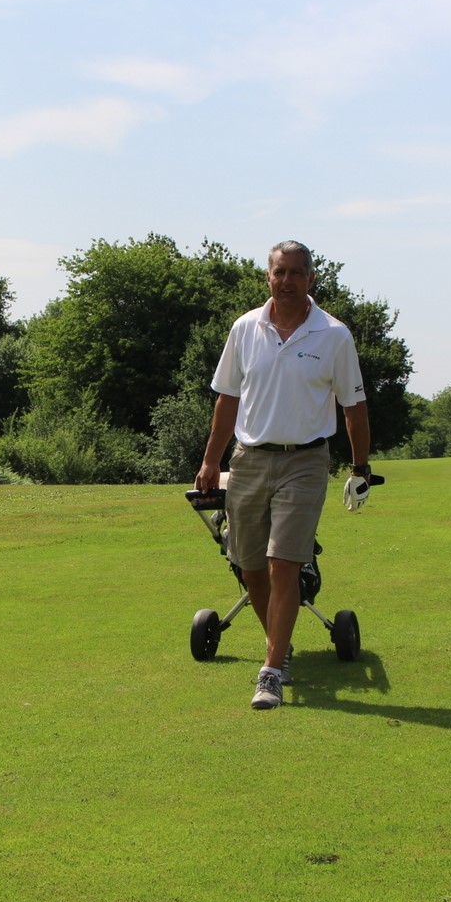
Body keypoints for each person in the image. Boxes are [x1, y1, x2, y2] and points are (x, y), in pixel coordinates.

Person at [195, 240, 371, 710]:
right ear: (268, 276)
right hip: (249, 458)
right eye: (280, 272)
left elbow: (354, 406)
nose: (288, 280)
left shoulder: (334, 334)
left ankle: (271, 671)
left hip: (305, 461)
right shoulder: (245, 328)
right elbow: (227, 399)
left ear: (311, 278)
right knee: (249, 566)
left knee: (283, 562)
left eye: (297, 272)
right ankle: (280, 641)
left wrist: (360, 467)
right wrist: (211, 460)